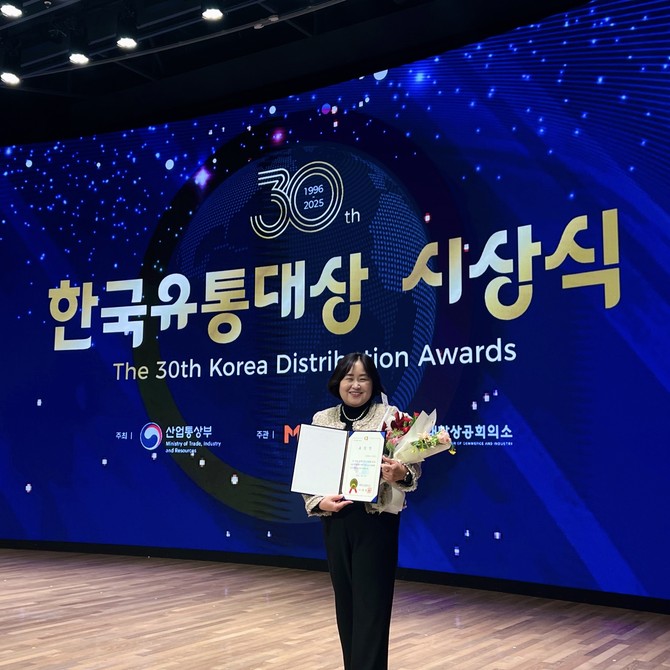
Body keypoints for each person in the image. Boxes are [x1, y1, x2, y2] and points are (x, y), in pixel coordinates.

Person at [303, 352, 421, 670]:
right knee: (346, 605)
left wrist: (400, 473)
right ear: (338, 382)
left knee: (372, 607)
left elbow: (412, 468)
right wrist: (318, 502)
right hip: (336, 521)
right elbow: (310, 474)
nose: (356, 385)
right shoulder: (322, 419)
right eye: (349, 378)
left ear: (373, 383)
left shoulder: (390, 417)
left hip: (376, 522)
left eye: (363, 378)